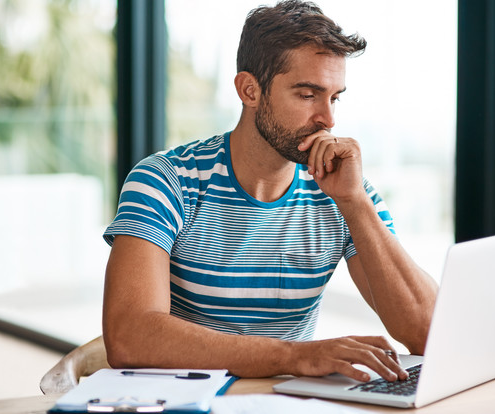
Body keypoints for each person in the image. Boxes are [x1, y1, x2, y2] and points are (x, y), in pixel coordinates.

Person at [102, 0, 438, 383]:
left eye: (335, 97)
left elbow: (429, 334)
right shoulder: (166, 180)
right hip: (187, 402)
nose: (328, 119)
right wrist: (295, 357)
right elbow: (129, 337)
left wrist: (356, 204)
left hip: (286, 404)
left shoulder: (345, 189)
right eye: (307, 94)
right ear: (250, 90)